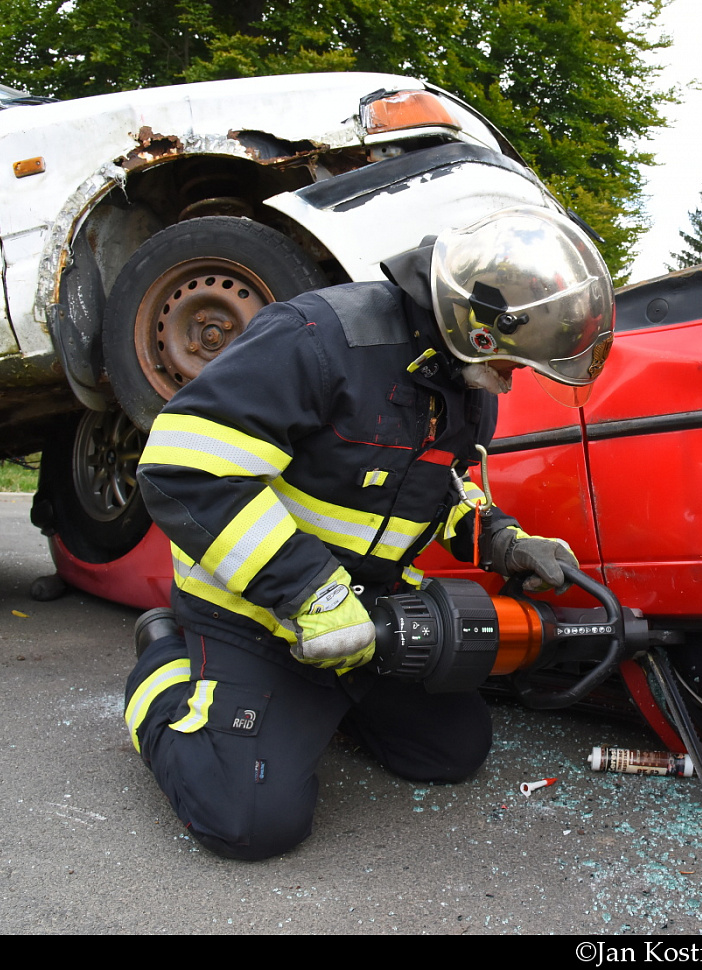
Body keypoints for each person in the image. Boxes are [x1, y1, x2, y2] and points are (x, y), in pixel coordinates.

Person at [123, 205, 614, 860]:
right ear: (479, 327)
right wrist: (313, 596)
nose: (514, 379)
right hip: (256, 609)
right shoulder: (316, 339)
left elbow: (439, 489)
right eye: (516, 364)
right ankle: (160, 660)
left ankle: (320, 699)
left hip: (370, 615)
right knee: (249, 821)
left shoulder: (465, 383)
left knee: (452, 750)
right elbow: (184, 468)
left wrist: (499, 538)